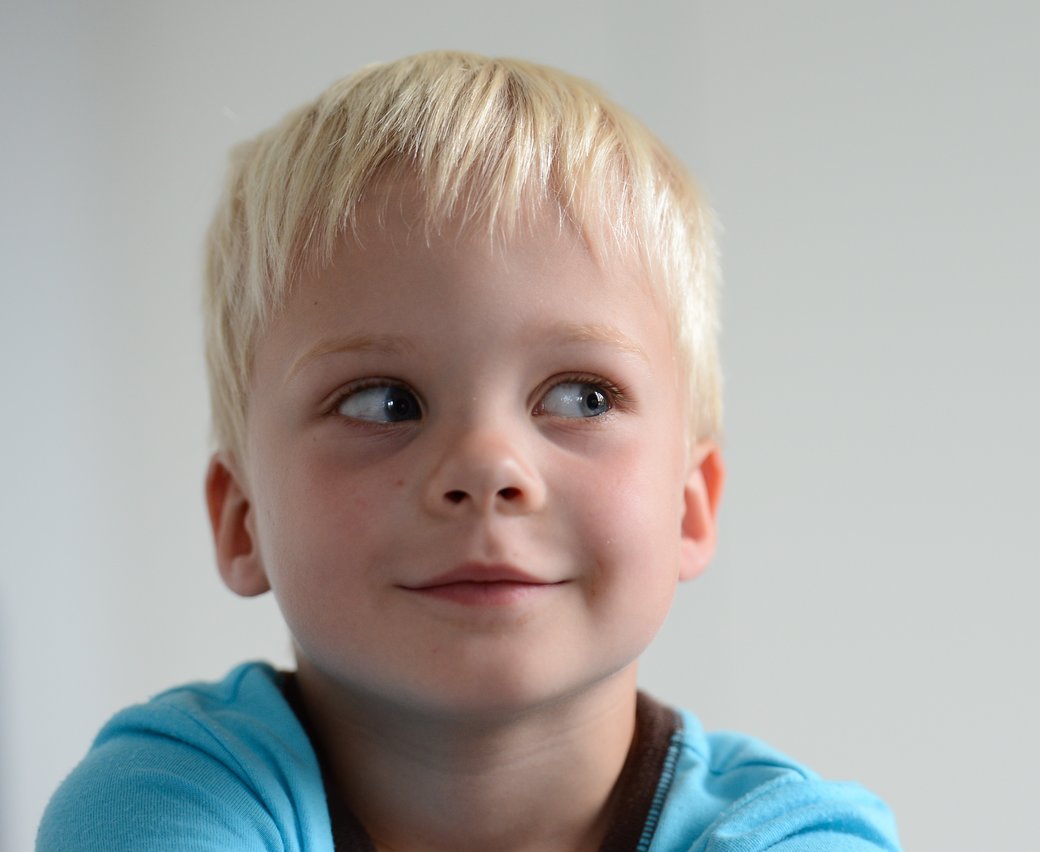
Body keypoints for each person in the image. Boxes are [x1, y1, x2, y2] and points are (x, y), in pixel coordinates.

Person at [38, 51, 900, 851]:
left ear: (693, 503)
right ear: (242, 518)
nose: (487, 466)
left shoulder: (795, 837)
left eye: (580, 397)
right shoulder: (158, 804)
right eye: (384, 402)